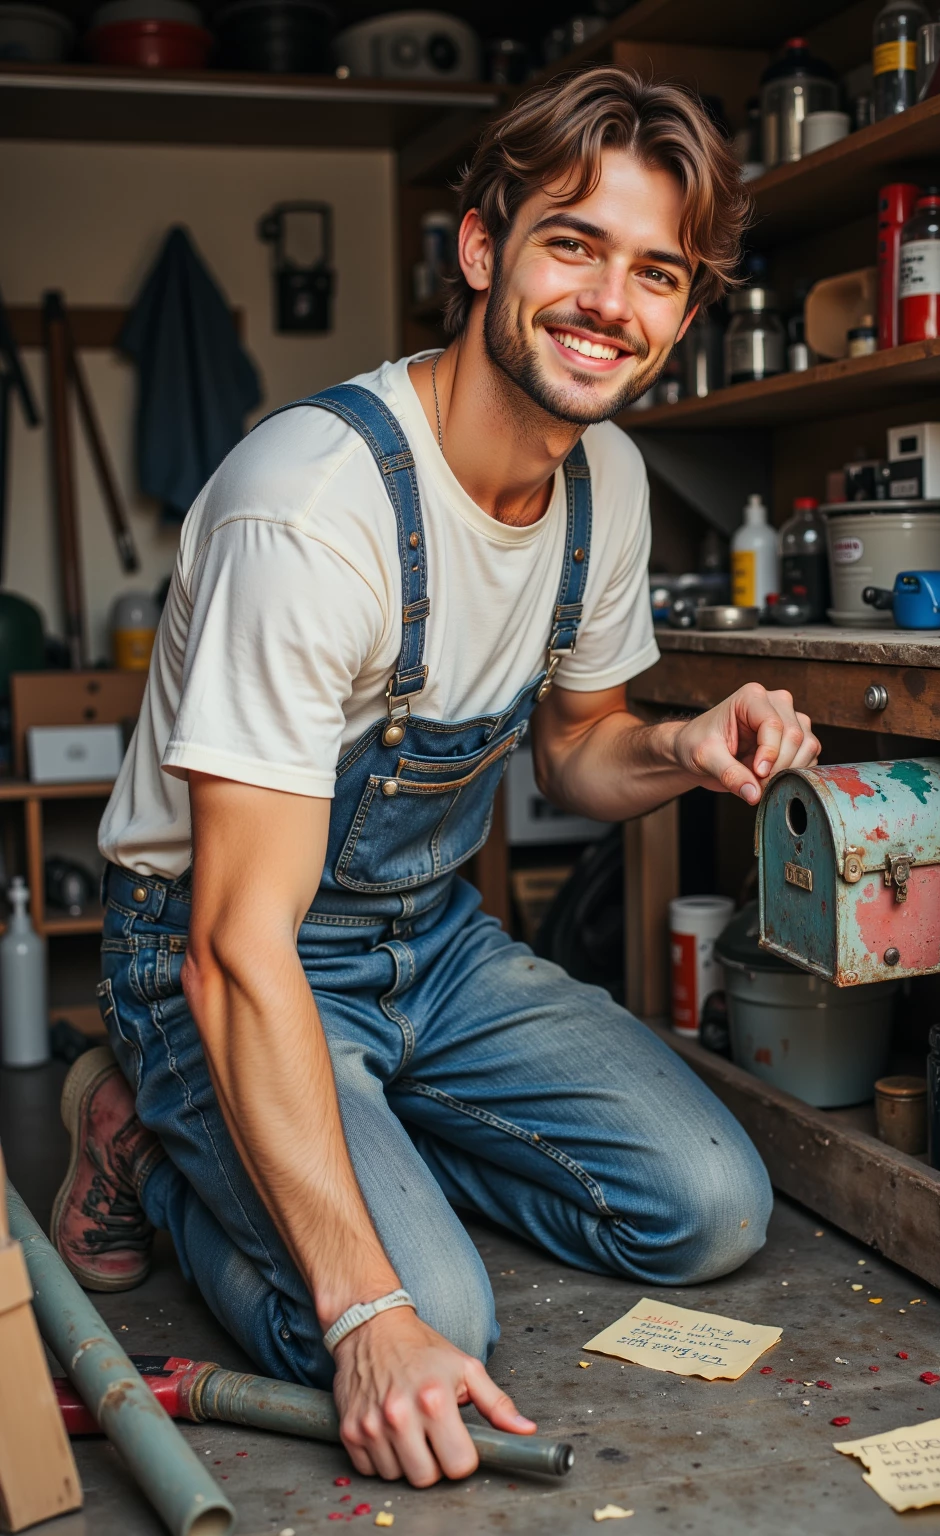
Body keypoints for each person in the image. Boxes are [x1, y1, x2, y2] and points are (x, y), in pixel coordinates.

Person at [52, 67, 819, 1488]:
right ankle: (148, 1137)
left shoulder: (609, 485)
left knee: (711, 1211)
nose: (610, 302)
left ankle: (348, 1145)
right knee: (428, 1321)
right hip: (226, 958)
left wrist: (680, 744)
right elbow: (235, 948)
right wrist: (368, 1311)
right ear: (483, 250)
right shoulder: (313, 512)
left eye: (656, 273)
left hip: (436, 951)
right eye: (572, 244)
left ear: (683, 315)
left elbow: (578, 749)